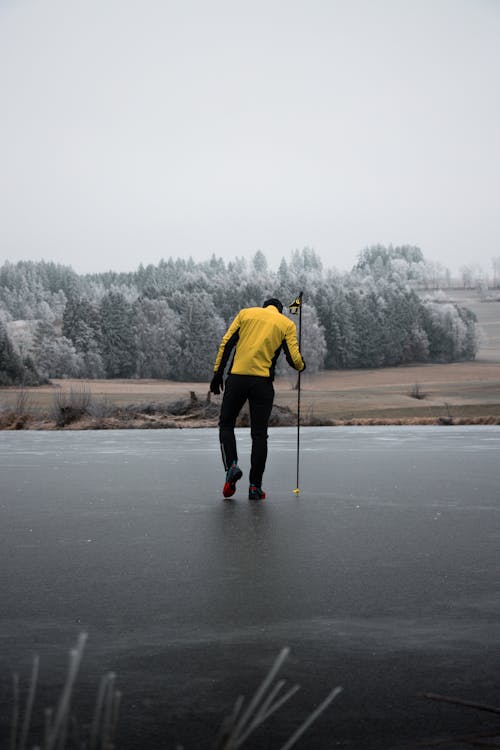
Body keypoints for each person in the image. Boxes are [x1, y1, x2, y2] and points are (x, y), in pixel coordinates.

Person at [210, 298, 305, 500]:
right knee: (259, 435)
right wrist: (301, 366)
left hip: (237, 379)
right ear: (279, 310)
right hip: (262, 384)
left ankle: (232, 466)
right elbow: (294, 359)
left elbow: (226, 343)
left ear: (264, 307)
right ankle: (255, 487)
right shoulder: (286, 324)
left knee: (226, 424)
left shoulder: (246, 314)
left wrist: (217, 374)